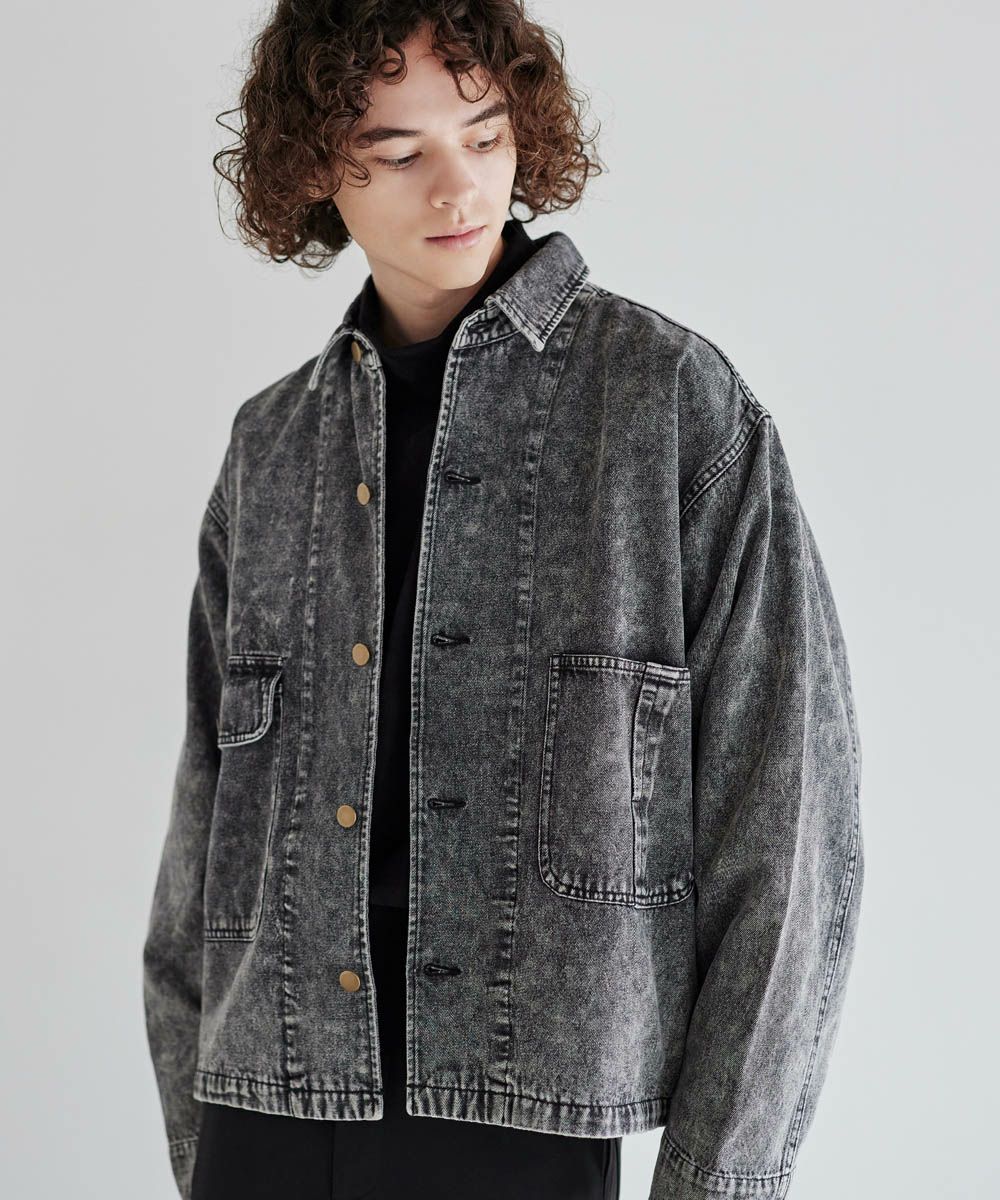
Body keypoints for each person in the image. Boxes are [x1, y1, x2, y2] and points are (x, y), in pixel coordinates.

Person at [142, 4, 865, 1199]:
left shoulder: (667, 406)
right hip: (266, 1098)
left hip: (523, 1114)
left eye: (484, 136)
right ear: (317, 168)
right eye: (398, 152)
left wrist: (717, 1182)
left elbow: (788, 837)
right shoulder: (271, 446)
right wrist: (198, 1131)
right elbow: (201, 840)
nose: (458, 187)